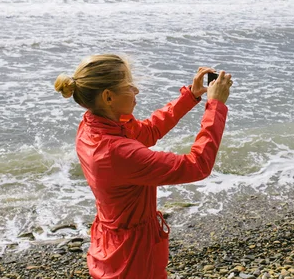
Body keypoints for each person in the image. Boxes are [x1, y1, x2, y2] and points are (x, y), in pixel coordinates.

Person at [54, 54, 231, 279]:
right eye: (129, 86)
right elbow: (197, 166)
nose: (136, 90)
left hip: (111, 239)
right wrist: (215, 107)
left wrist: (191, 96)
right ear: (108, 97)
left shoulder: (93, 126)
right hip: (133, 254)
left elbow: (148, 132)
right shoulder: (117, 152)